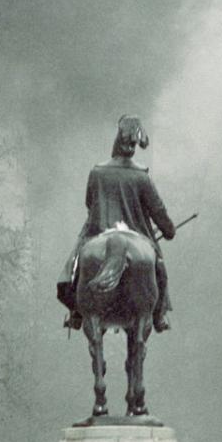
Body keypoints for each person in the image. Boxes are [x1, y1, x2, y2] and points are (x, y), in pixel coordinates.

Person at [57, 115, 177, 333]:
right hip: (137, 234)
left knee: (73, 271)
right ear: (133, 146)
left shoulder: (97, 173)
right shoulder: (142, 177)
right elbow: (158, 211)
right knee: (160, 271)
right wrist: (169, 230)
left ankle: (76, 312)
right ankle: (159, 315)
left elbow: (89, 203)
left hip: (97, 231)